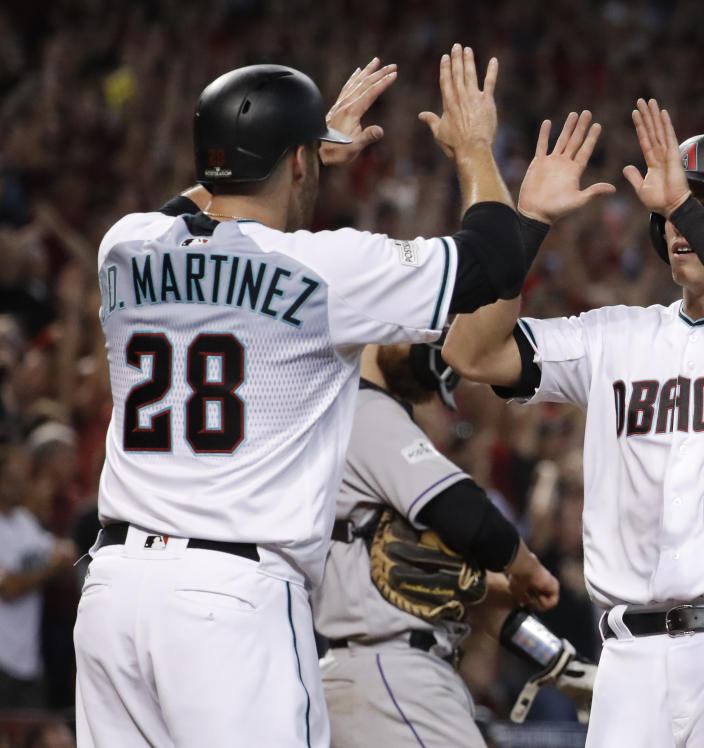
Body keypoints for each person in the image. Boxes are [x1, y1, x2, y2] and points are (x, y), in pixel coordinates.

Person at [74, 44, 533, 747]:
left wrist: (285, 151)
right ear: (297, 162)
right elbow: (495, 259)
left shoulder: (125, 246)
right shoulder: (325, 267)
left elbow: (191, 209)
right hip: (231, 599)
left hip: (112, 594)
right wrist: (475, 148)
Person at [442, 100, 704, 747]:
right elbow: (471, 352)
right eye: (674, 209)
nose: (680, 216)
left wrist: (682, 208)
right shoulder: (615, 335)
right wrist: (528, 224)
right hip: (629, 656)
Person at [314, 336, 572, 746]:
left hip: (366, 675)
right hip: (392, 676)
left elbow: (437, 578)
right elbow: (473, 519)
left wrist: (556, 659)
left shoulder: (338, 418)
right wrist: (529, 569)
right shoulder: (365, 409)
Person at [0, 443, 76, 709]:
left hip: (29, 661)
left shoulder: (24, 521)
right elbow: (8, 587)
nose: (24, 481)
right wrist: (49, 568)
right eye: (16, 475)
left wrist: (59, 560)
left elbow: (64, 554)